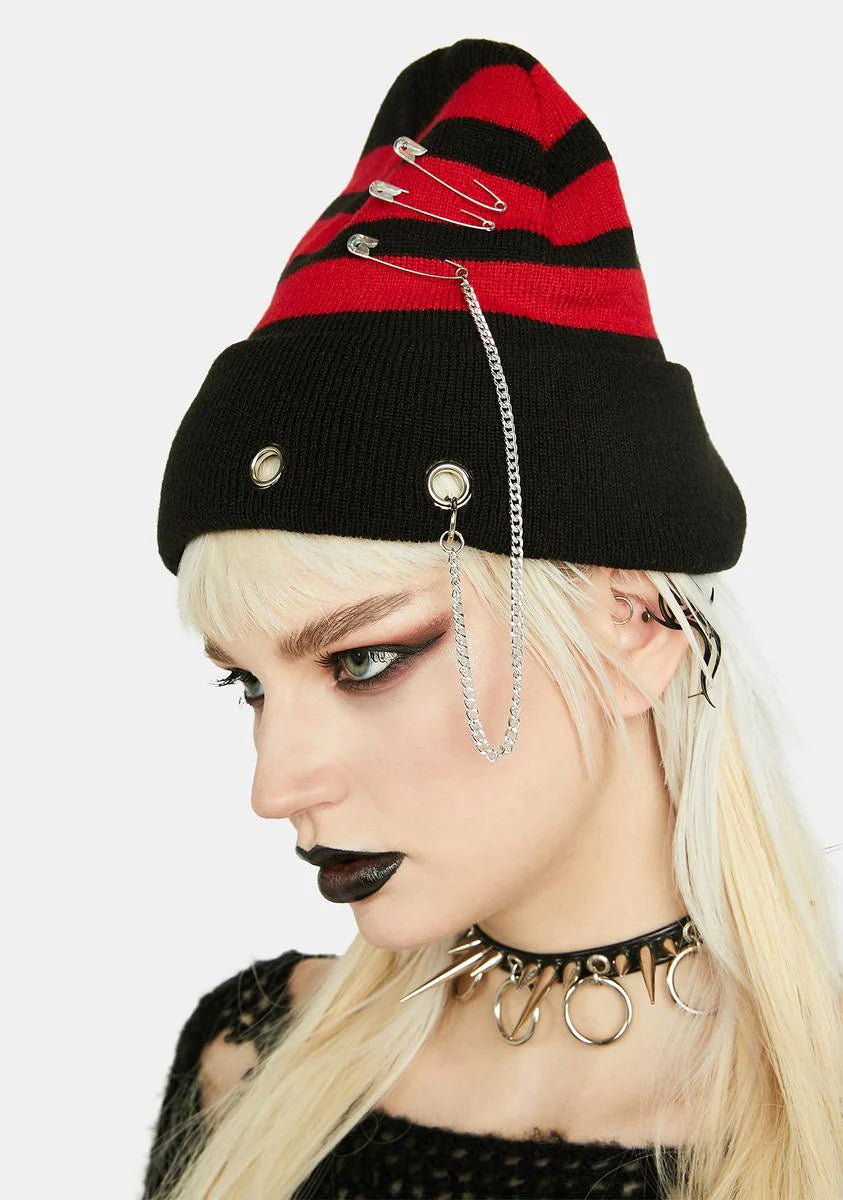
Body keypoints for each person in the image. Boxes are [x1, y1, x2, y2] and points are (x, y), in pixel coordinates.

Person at [142, 37, 843, 1200]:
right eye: (250, 683)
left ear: (634, 627)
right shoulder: (249, 1065)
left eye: (365, 659)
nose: (275, 787)